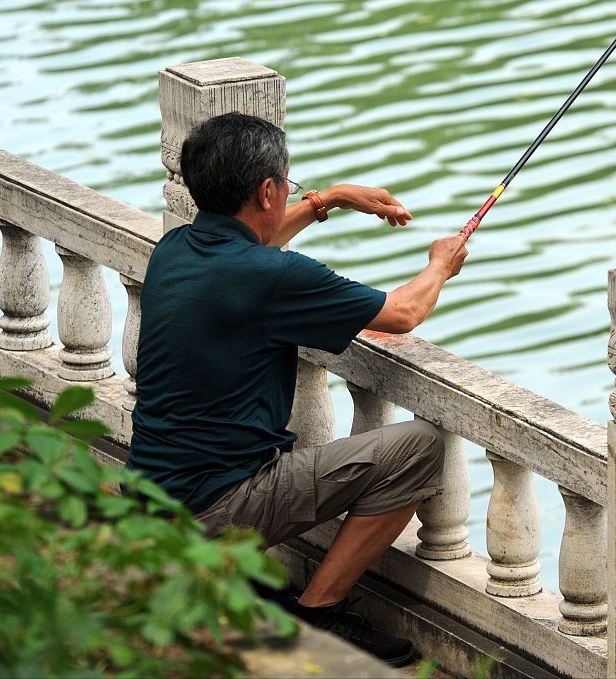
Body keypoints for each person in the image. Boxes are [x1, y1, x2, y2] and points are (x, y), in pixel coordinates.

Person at [125, 112, 468, 667]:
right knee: (419, 448)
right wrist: (440, 265)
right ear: (267, 191)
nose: (290, 191)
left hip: (148, 503)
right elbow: (403, 313)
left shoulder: (175, 250)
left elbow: (257, 246)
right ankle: (318, 614)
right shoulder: (274, 277)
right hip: (215, 510)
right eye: (287, 183)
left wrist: (326, 199)